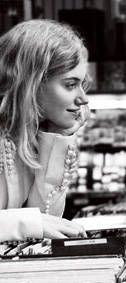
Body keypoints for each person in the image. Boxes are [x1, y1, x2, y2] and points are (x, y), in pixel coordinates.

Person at [0, 19, 90, 242]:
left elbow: (45, 223)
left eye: (82, 84)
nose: (83, 98)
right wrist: (30, 223)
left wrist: (59, 139)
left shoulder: (27, 138)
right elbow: (38, 224)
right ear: (32, 83)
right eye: (70, 85)